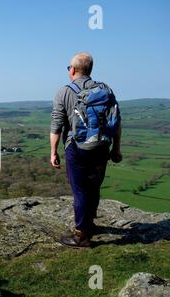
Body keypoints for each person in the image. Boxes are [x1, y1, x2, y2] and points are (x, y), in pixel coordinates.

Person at [50, 52, 123, 248]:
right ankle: (89, 223)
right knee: (93, 187)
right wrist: (116, 148)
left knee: (80, 190)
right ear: (89, 70)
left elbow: (56, 125)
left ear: (72, 70)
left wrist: (53, 152)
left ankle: (81, 235)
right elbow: (116, 121)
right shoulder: (105, 90)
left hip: (77, 147)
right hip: (101, 146)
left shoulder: (64, 92)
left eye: (69, 68)